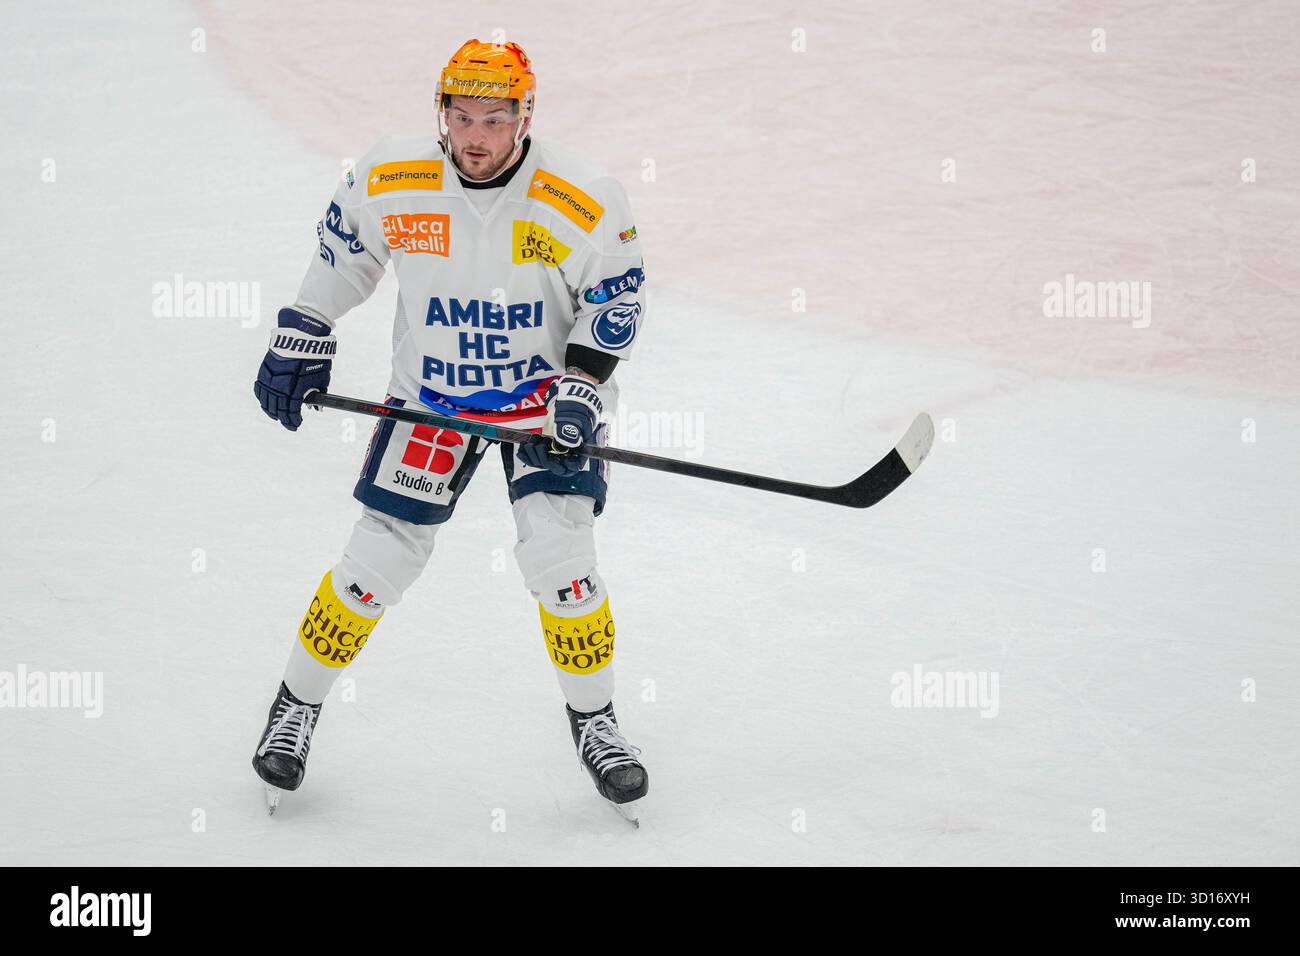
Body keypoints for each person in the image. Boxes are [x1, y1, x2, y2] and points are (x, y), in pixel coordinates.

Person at [250, 39, 648, 819]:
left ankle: (596, 723)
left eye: (495, 119)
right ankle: (295, 707)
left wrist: (583, 385)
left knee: (564, 568)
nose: (475, 136)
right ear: (441, 113)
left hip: (542, 408)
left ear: (524, 117)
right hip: (433, 398)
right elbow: (343, 258)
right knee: (373, 563)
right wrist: (306, 325)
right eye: (460, 116)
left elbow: (615, 297)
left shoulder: (581, 195)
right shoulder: (394, 176)